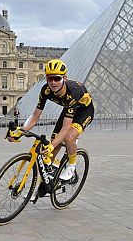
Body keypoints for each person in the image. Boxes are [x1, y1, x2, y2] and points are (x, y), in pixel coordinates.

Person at [7, 59, 94, 192]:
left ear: (64, 78)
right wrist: (21, 131)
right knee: (51, 150)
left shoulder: (73, 92)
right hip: (68, 110)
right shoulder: (45, 90)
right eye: (49, 78)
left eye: (56, 78)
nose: (53, 82)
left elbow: (66, 127)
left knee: (68, 137)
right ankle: (47, 182)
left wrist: (52, 145)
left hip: (84, 111)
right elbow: (35, 116)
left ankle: (71, 167)